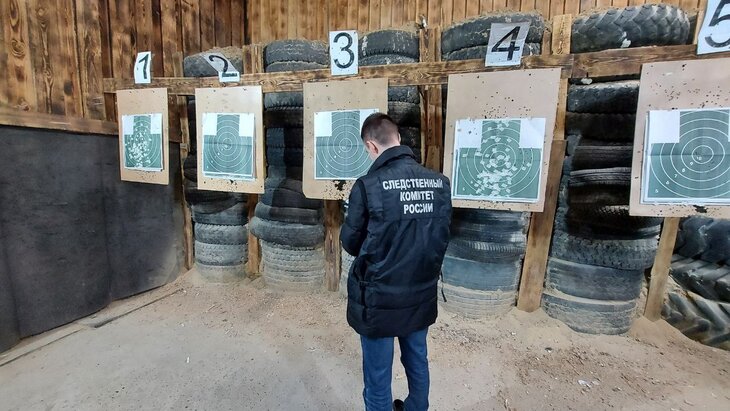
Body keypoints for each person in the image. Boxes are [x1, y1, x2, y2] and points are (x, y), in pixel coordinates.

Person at [340, 113, 452, 411]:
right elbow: (441, 236)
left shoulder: (367, 186)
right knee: (417, 359)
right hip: (420, 291)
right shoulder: (440, 183)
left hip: (380, 298)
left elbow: (351, 243)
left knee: (378, 376)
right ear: (398, 138)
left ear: (371, 146)